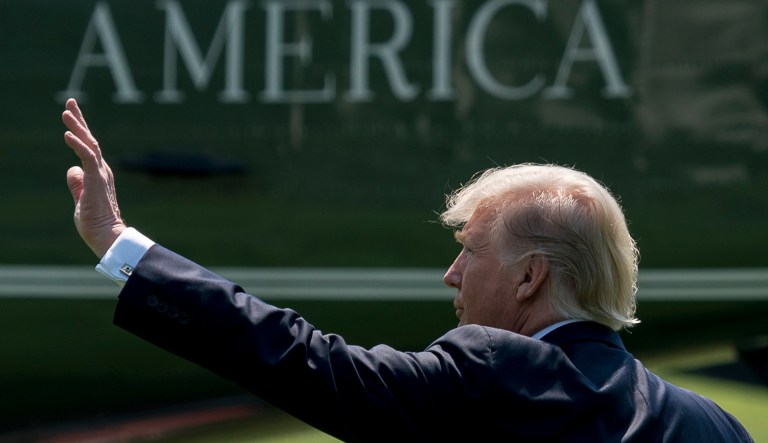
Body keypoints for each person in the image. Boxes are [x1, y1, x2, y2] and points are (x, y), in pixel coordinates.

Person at [62, 98, 753, 442]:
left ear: (529, 277)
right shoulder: (715, 425)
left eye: (471, 251)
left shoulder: (494, 372)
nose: (451, 275)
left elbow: (301, 357)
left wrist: (122, 245)